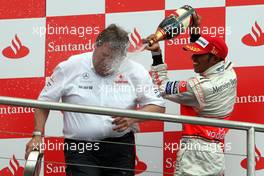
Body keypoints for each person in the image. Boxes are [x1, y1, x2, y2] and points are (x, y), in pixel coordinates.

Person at [25, 24, 165, 176]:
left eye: (114, 59)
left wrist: (133, 117)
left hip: (120, 147)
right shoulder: (71, 66)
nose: (108, 62)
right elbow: (43, 102)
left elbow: (158, 106)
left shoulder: (135, 70)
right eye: (105, 55)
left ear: (124, 55)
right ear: (96, 45)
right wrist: (37, 135)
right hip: (80, 148)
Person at [145, 14, 237, 176]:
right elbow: (207, 48)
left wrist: (157, 54)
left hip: (196, 153)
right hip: (215, 150)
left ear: (214, 58)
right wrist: (194, 27)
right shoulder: (229, 71)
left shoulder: (199, 88)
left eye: (198, 55)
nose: (193, 58)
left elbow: (161, 86)